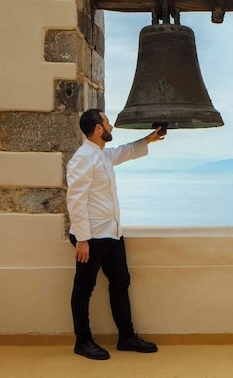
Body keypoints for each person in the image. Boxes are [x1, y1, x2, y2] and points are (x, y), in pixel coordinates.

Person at [66, 108, 165, 360]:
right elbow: (75, 200)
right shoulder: (83, 158)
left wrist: (147, 140)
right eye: (107, 122)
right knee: (83, 289)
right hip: (91, 237)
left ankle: (126, 337)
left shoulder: (101, 154)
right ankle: (83, 342)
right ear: (98, 128)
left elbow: (123, 152)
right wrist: (82, 239)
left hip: (111, 234)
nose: (111, 126)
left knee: (121, 283)